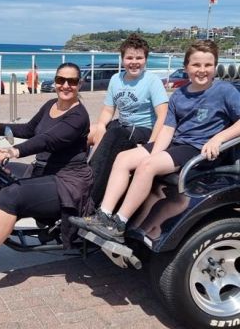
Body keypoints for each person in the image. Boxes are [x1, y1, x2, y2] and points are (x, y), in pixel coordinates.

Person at [70, 39, 240, 242]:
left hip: (199, 149)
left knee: (148, 166)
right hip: (177, 143)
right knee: (124, 158)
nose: (201, 70)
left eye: (207, 65)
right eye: (196, 65)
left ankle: (119, 222)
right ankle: (103, 215)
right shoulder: (180, 95)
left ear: (215, 66)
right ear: (186, 67)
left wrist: (218, 138)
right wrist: (156, 151)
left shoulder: (224, 91)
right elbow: (168, 128)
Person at [0, 62, 93, 275]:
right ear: (54, 82)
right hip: (43, 170)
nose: (65, 85)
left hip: (68, 180)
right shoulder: (50, 104)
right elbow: (29, 129)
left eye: (71, 81)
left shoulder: (79, 116)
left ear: (79, 84)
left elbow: (48, 140)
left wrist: (13, 151)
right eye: (60, 80)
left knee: (12, 193)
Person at [88, 33, 168, 206]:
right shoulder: (115, 79)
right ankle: (72, 172)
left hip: (143, 129)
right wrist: (101, 126)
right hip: (122, 126)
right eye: (129, 57)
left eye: (139, 58)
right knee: (88, 131)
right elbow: (108, 109)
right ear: (122, 59)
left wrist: (151, 145)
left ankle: (91, 191)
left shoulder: (152, 81)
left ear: (146, 59)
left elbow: (163, 115)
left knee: (114, 134)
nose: (134, 62)